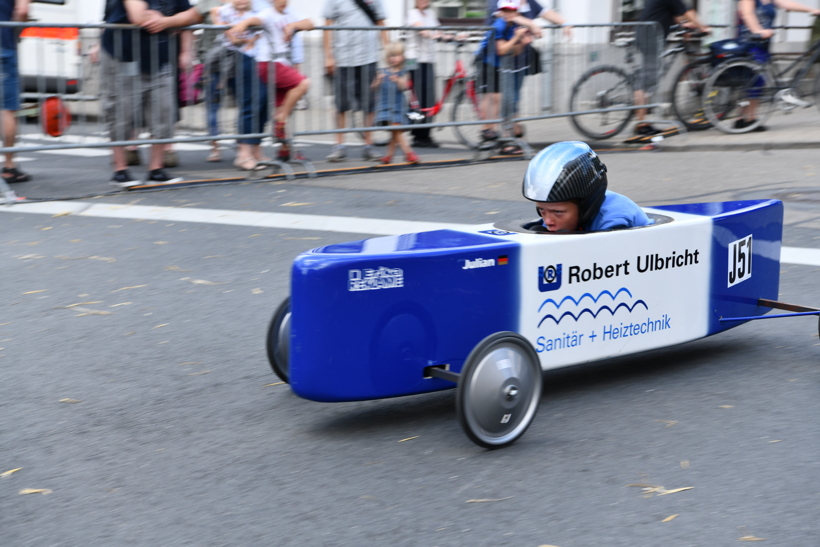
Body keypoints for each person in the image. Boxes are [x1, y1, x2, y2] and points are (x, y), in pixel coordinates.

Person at [101, 0, 192, 188]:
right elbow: (138, 16)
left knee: (163, 112)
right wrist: (174, 20)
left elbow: (192, 16)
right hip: (123, 55)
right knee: (121, 111)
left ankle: (155, 170)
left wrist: (169, 24)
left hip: (159, 56)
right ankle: (120, 170)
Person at [228, 0, 312, 163]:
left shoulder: (290, 13)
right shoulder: (268, 13)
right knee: (303, 84)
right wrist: (244, 23)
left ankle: (284, 150)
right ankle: (278, 122)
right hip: (269, 64)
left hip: (281, 64)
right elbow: (256, 20)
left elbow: (310, 23)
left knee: (282, 107)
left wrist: (293, 26)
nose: (282, 2)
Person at [523, 141, 652, 232]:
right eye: (542, 210)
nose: (548, 221)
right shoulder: (558, 212)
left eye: (558, 212)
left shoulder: (614, 221)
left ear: (586, 207)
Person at [629, 0, 710, 141]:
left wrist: (683, 26)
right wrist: (703, 27)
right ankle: (641, 125)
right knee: (647, 80)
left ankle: (642, 122)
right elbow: (687, 12)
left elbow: (678, 15)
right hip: (650, 37)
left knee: (648, 78)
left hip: (649, 35)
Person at [736, 0, 820, 130]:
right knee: (755, 80)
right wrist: (758, 31)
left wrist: (811, 10)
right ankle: (749, 119)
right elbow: (747, 14)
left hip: (763, 43)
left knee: (754, 81)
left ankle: (742, 119)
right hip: (750, 42)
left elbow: (787, 4)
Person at [322, 0, 388, 162]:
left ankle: (368, 146)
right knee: (341, 105)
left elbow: (381, 23)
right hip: (343, 59)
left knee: (369, 105)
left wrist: (389, 53)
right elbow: (327, 25)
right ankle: (339, 147)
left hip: (369, 58)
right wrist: (329, 56)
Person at [475, 0, 531, 152]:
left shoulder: (514, 26)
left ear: (516, 12)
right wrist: (516, 38)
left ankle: (494, 133)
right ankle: (487, 131)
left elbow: (515, 51)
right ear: (500, 11)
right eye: (505, 11)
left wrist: (522, 42)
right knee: (492, 96)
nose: (508, 14)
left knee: (500, 97)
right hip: (485, 60)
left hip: (497, 63)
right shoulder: (499, 25)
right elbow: (501, 50)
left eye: (511, 11)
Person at [373, 42, 419, 164]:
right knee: (395, 130)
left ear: (402, 57)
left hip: (398, 106)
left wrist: (397, 80)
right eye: (390, 56)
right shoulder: (381, 71)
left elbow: (404, 86)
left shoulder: (404, 72)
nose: (393, 58)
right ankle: (408, 152)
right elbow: (373, 87)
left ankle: (391, 155)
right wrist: (378, 81)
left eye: (396, 55)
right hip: (384, 105)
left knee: (395, 130)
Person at [0, 0, 29, 185]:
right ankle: (9, 166)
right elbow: (22, 10)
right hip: (4, 45)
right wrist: (14, 32)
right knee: (7, 108)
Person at [406, 0, 440, 148]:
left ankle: (425, 134)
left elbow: (439, 32)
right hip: (413, 60)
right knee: (417, 98)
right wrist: (432, 34)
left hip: (428, 60)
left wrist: (454, 37)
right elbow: (421, 29)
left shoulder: (431, 14)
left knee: (429, 98)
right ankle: (416, 135)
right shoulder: (412, 14)